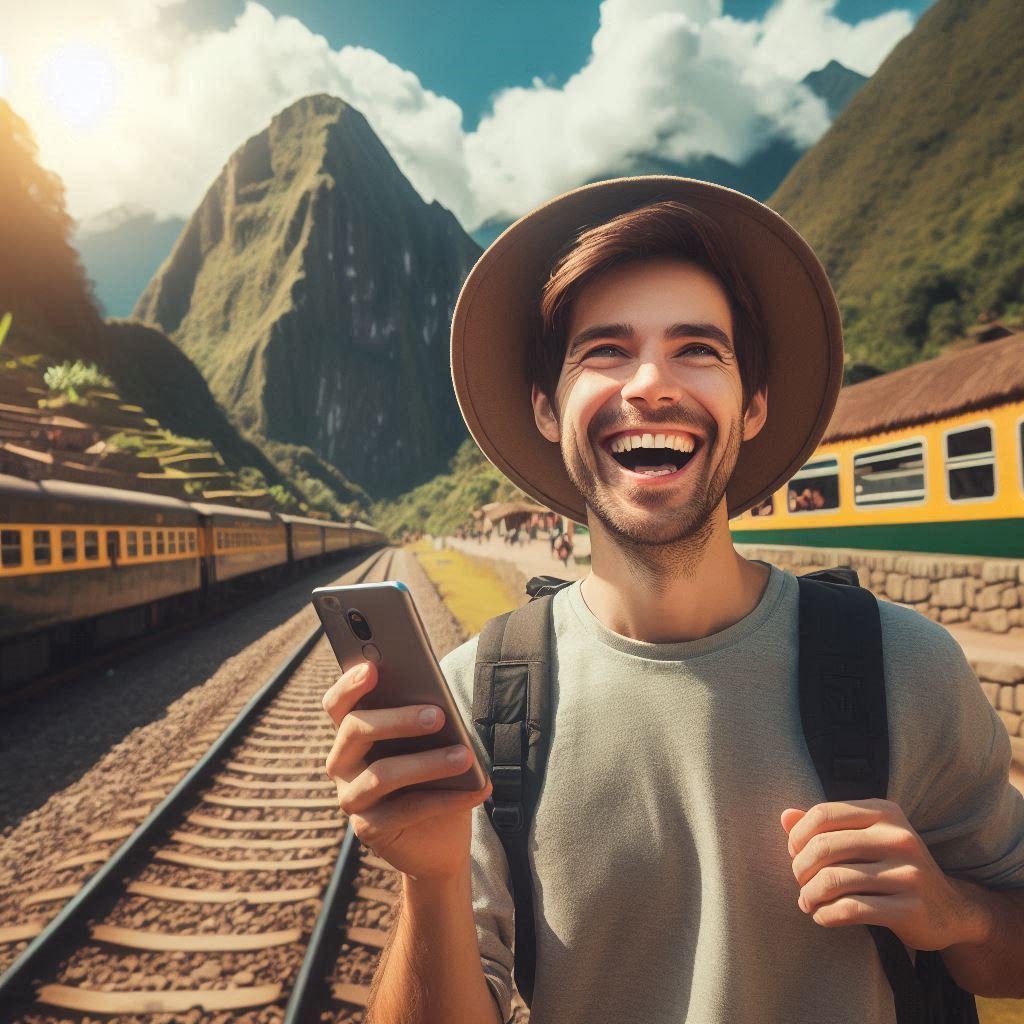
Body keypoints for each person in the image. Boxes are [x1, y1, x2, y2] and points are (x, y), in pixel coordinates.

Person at [322, 178, 1024, 1024]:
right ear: (548, 409)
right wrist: (429, 879)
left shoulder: (906, 666)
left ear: (751, 405)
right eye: (605, 352)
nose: (651, 383)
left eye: (698, 349)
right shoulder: (476, 700)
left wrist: (956, 913)